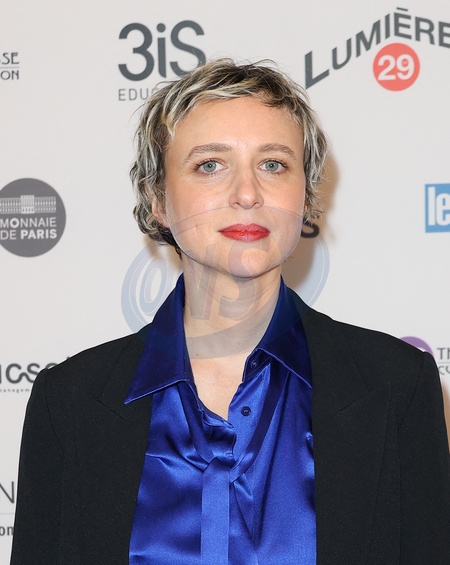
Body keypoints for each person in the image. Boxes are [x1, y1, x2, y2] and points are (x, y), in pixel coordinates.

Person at [11, 59, 450, 565]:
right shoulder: (69, 402)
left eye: (273, 164)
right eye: (210, 165)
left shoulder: (398, 386)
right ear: (157, 198)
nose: (247, 194)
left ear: (306, 194)